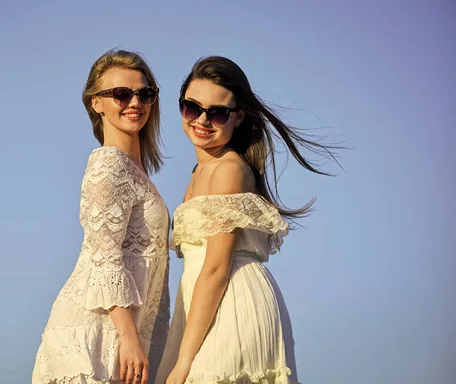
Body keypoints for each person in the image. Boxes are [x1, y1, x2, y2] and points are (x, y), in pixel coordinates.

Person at [156, 56, 339, 384]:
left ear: (238, 118)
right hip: (205, 307)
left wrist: (184, 361)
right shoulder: (199, 173)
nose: (202, 120)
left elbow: (214, 269)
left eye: (218, 112)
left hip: (233, 303)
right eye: (192, 107)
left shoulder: (228, 170)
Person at [32, 49, 170, 384]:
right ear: (97, 103)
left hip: (123, 334)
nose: (134, 102)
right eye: (121, 94)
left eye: (145, 93)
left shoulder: (138, 173)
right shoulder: (109, 163)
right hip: (98, 334)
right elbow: (104, 256)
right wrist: (128, 338)